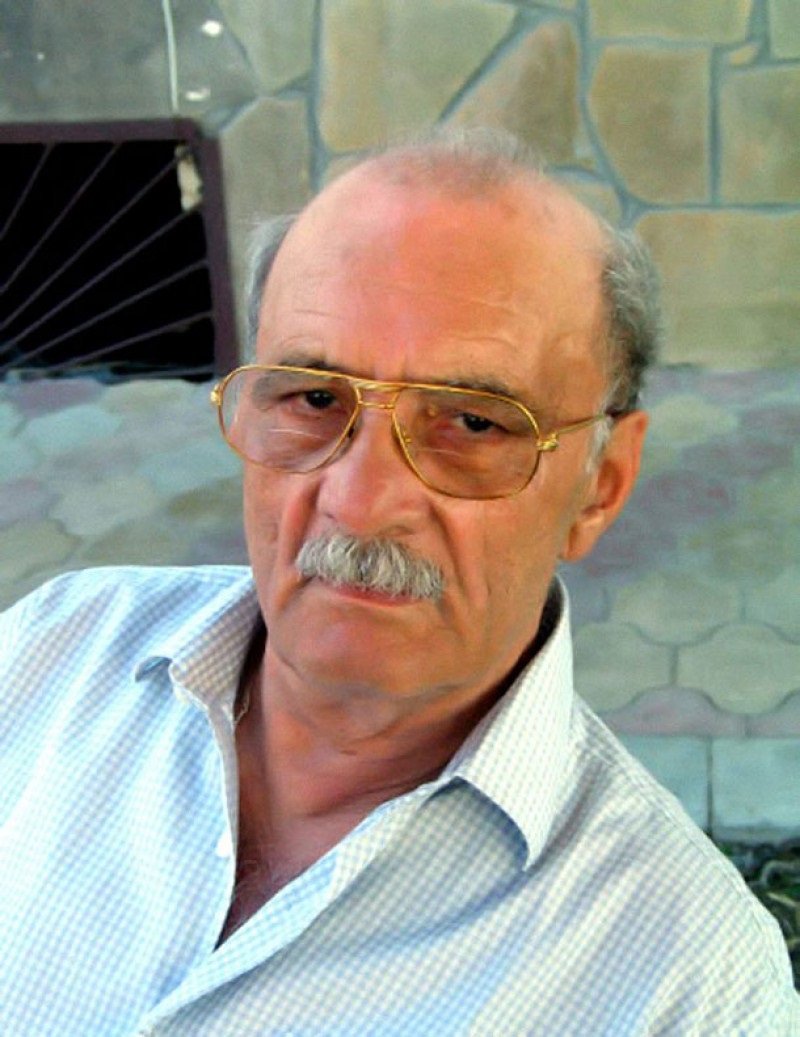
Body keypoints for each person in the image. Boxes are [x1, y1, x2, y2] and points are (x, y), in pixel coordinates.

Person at [1, 129, 797, 1036]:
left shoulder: (686, 984)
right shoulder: (47, 656)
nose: (360, 501)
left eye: (472, 422)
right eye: (313, 398)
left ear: (601, 487)